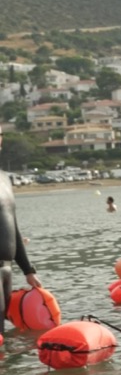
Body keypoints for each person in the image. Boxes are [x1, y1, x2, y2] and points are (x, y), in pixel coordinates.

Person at [0, 126, 41, 338]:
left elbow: (13, 227)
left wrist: (28, 270)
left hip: (6, 269)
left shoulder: (4, 179)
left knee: (3, 331)